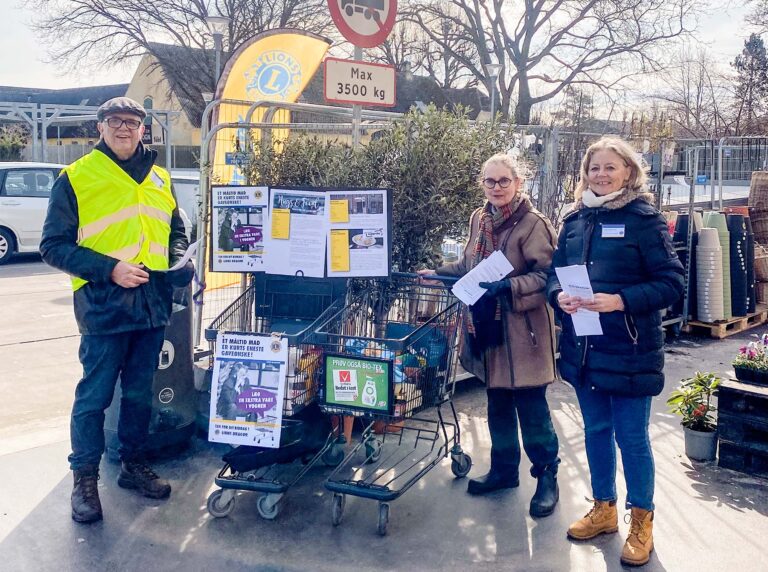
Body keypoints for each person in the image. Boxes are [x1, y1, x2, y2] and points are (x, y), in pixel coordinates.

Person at [40, 97, 195, 524]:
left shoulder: (160, 177)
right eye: (115, 121)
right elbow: (53, 247)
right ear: (101, 127)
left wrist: (179, 263)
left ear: (144, 128)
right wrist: (111, 269)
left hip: (152, 306)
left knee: (139, 394)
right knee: (94, 396)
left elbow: (175, 230)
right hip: (104, 307)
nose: (124, 128)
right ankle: (85, 478)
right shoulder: (76, 177)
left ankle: (133, 465)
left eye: (132, 122)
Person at [546, 137, 684, 566]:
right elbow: (553, 275)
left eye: (610, 167)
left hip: (630, 350)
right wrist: (559, 298)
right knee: (596, 433)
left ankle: (642, 519)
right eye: (594, 169)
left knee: (632, 439)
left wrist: (621, 299)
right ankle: (604, 509)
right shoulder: (574, 221)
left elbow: (673, 282)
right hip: (584, 348)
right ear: (584, 175)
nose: (601, 175)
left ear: (629, 171)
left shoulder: (645, 220)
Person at [419, 153, 561, 518]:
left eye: (504, 181)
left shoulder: (533, 224)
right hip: (488, 327)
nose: (497, 188)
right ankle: (503, 471)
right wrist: (438, 272)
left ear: (518, 183)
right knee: (497, 405)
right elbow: (468, 266)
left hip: (524, 331)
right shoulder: (479, 219)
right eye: (490, 181)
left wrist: (508, 287)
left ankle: (547, 478)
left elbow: (548, 276)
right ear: (482, 184)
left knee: (532, 410)